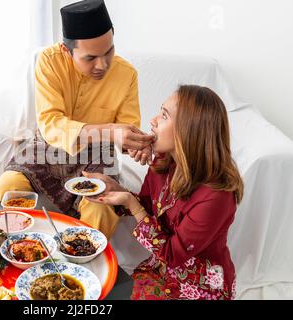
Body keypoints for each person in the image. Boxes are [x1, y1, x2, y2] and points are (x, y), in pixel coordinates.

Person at [0, 0, 153, 239]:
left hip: (97, 156)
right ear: (67, 50)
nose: (103, 65)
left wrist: (136, 146)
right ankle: (14, 253)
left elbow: (126, 130)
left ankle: (77, 269)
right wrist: (111, 131)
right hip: (46, 148)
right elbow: (51, 123)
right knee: (6, 190)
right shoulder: (49, 61)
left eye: (109, 52)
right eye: (90, 58)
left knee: (102, 212)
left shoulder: (127, 75)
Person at [85, 85, 243, 299]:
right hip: (159, 269)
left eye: (164, 115)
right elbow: (148, 208)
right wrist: (115, 189)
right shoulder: (164, 162)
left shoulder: (217, 197)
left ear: (189, 130)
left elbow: (171, 255)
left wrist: (131, 203)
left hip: (200, 285)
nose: (153, 120)